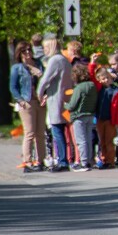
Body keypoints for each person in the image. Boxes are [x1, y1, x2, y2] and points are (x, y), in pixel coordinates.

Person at [36, 38, 73, 172]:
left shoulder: (54, 60)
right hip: (65, 98)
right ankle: (64, 159)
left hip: (56, 98)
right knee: (62, 130)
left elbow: (45, 79)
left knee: (57, 130)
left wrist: (39, 94)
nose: (44, 50)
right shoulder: (64, 60)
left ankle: (62, 161)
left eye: (46, 47)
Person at [10, 42, 46, 172]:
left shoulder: (39, 64)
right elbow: (13, 87)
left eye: (29, 50)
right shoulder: (17, 68)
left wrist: (45, 95)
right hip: (27, 101)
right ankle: (27, 161)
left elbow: (45, 81)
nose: (27, 53)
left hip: (40, 101)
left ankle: (41, 160)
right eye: (24, 51)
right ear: (19, 53)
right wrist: (20, 100)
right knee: (30, 132)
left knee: (40, 133)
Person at [93, 66, 118, 170]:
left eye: (107, 78)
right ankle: (104, 159)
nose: (106, 80)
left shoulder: (114, 90)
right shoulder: (99, 89)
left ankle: (110, 161)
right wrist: (93, 64)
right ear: (99, 80)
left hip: (110, 120)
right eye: (103, 78)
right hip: (100, 119)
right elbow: (93, 77)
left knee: (109, 141)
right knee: (102, 141)